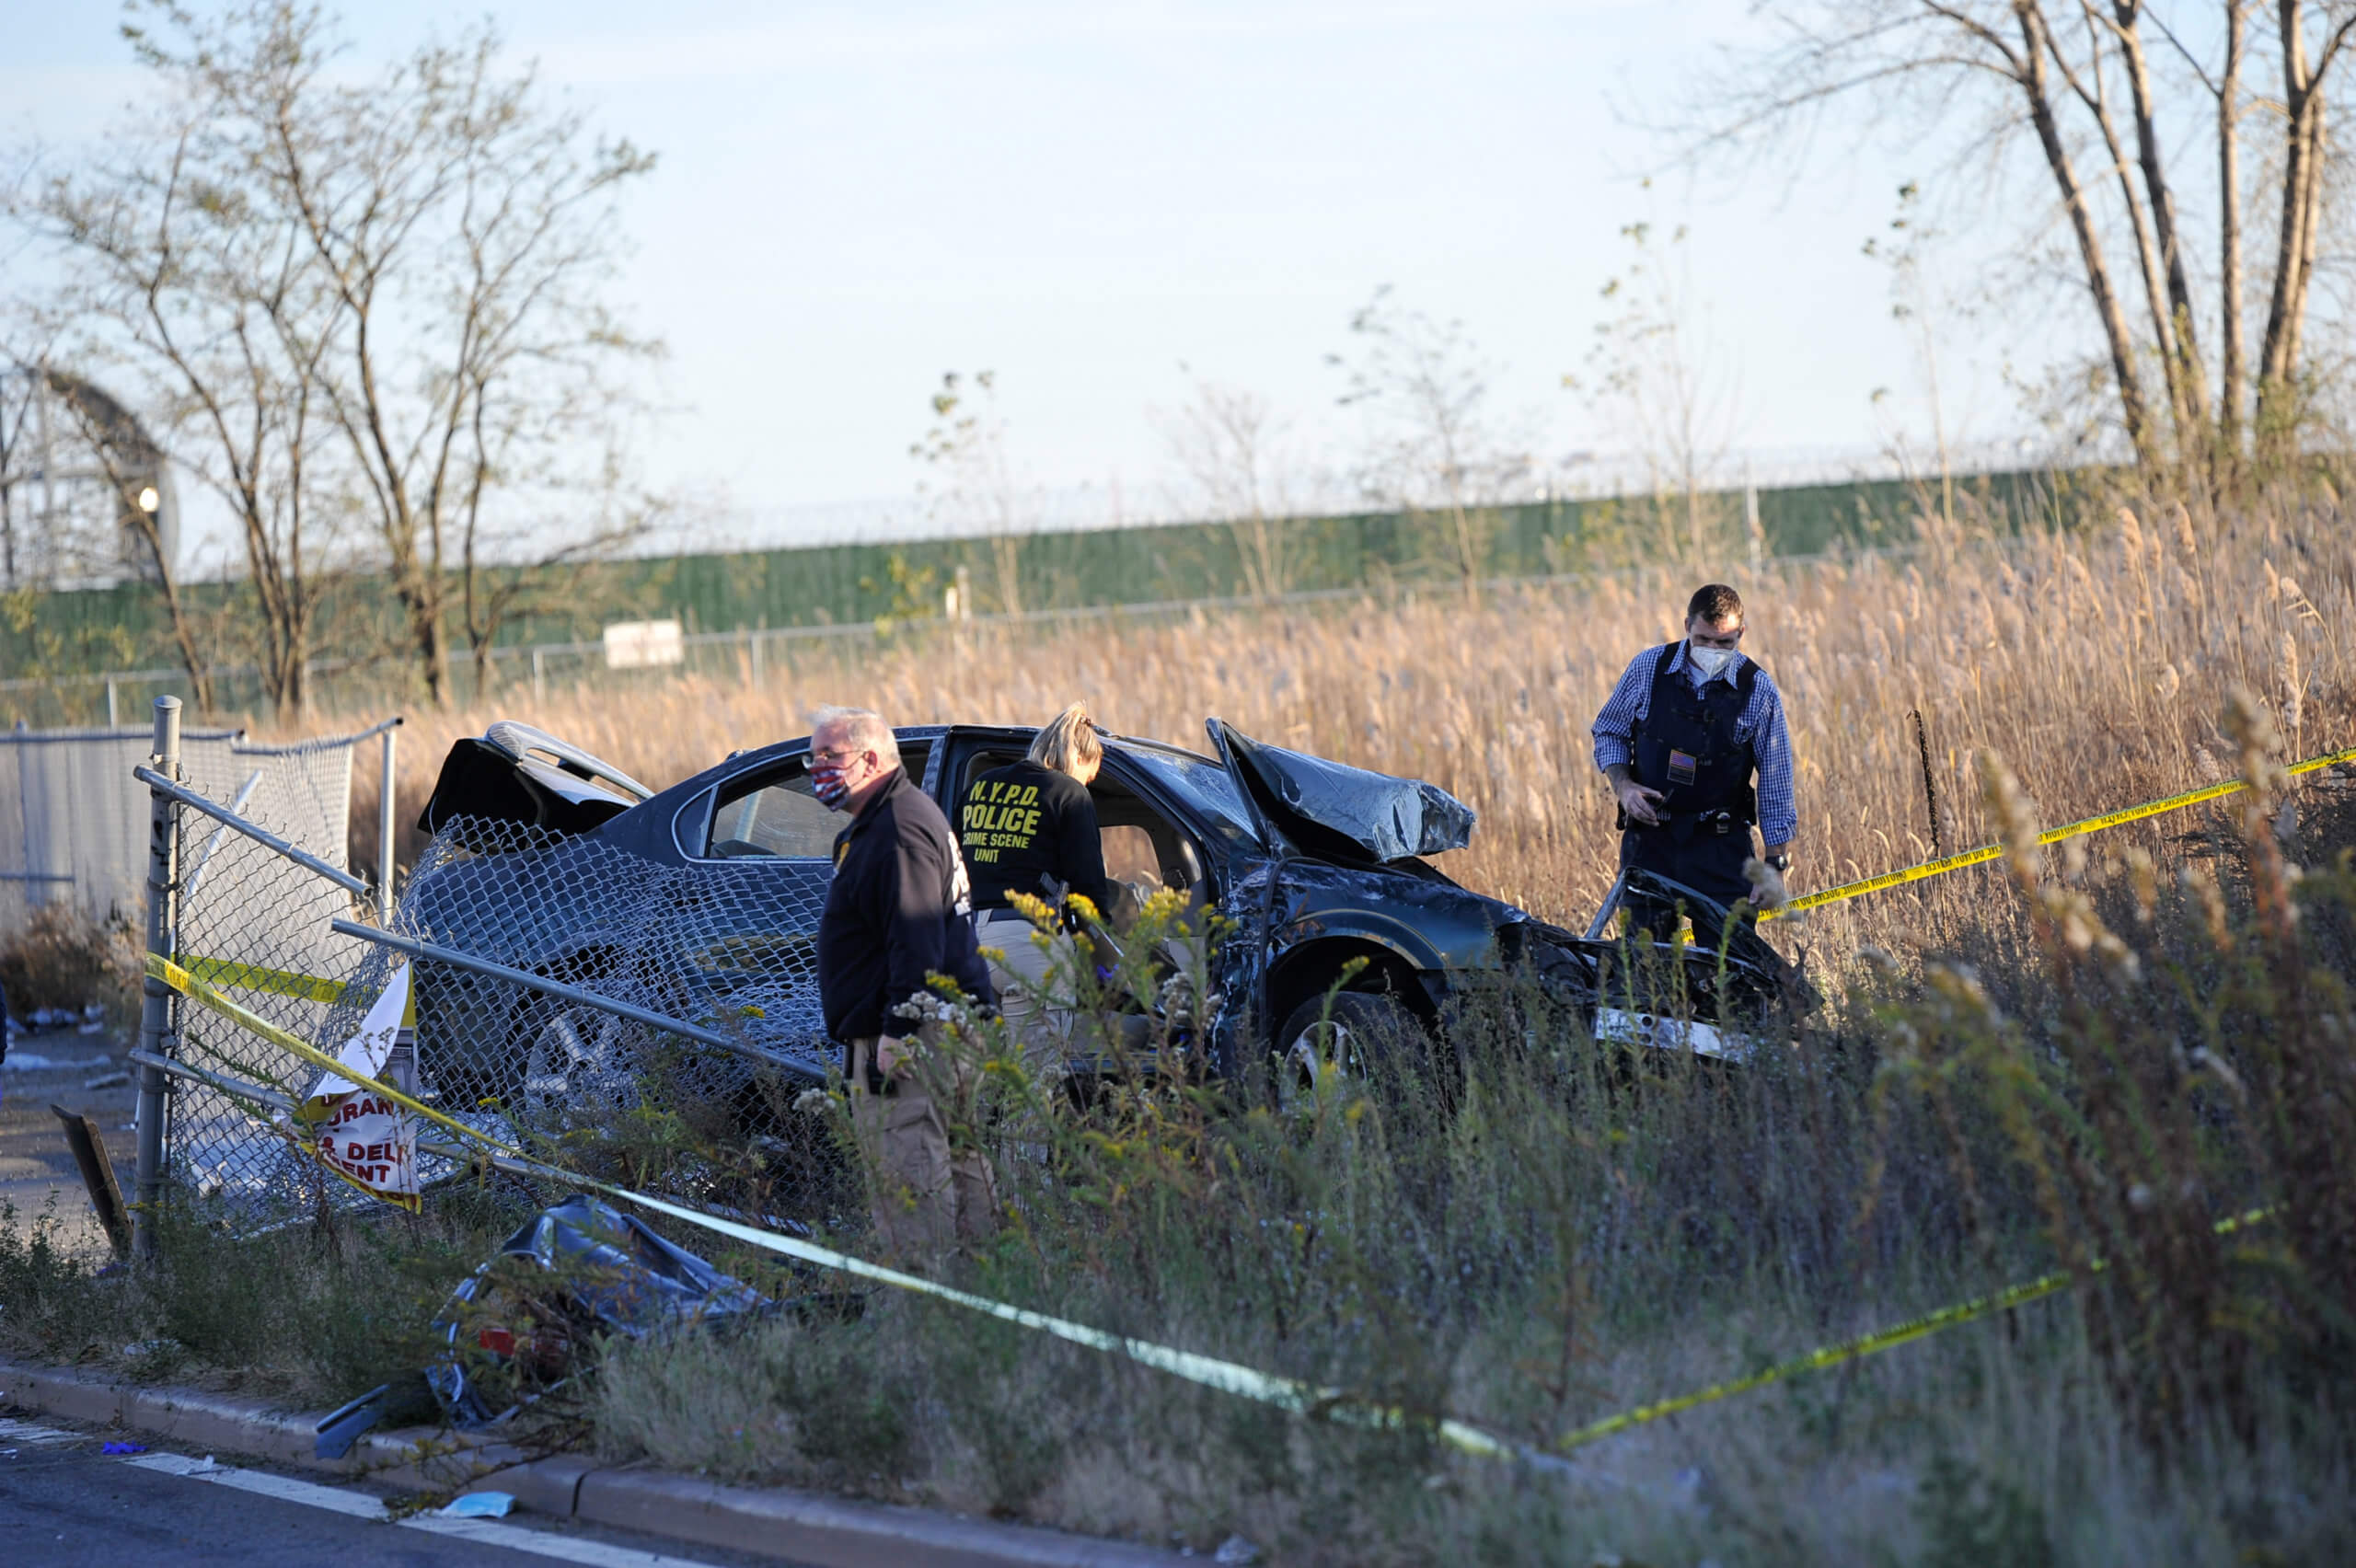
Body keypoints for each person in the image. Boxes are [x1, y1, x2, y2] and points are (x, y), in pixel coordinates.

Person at [810, 703, 999, 1258]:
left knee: (910, 1176)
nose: (816, 766)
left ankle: (922, 1306)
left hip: (916, 1035)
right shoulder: (891, 820)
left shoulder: (898, 828)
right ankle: (980, 1292)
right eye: (813, 754)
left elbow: (917, 939)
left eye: (829, 755)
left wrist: (899, 1030)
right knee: (959, 1164)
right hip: (943, 1025)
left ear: (869, 759)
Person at [1590, 582, 1796, 946]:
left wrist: (1774, 864)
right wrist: (1624, 787)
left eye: (1725, 643)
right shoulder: (1648, 669)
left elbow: (1776, 779)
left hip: (1721, 846)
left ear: (1741, 634)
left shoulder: (1757, 689)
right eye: (1703, 640)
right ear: (1687, 625)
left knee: (1733, 973)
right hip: (1651, 842)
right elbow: (1609, 731)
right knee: (1647, 971)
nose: (1713, 651)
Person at [959, 702, 1113, 1077]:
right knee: (1033, 1085)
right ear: (1077, 756)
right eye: (1089, 775)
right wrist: (1099, 940)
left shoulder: (982, 786)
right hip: (1029, 945)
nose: (1087, 784)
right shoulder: (1068, 793)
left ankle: (971, 1138)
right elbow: (1087, 880)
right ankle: (1025, 1140)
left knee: (976, 1083)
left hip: (967, 941)